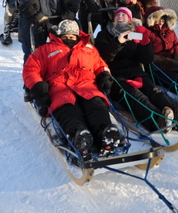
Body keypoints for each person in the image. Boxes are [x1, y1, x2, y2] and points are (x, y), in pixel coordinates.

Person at [22, 19, 120, 159]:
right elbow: (30, 69)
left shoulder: (89, 48)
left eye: (72, 37)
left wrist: (104, 75)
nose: (69, 39)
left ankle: (105, 133)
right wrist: (38, 86)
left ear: (77, 36)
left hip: (87, 86)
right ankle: (79, 136)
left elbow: (100, 64)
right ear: (59, 36)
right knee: (69, 111)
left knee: (96, 106)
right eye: (65, 36)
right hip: (60, 88)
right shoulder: (46, 49)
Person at [95, 7, 178, 133]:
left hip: (136, 72)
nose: (120, 16)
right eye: (118, 15)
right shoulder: (105, 34)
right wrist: (118, 42)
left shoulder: (134, 34)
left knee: (153, 90)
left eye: (124, 15)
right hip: (117, 77)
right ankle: (157, 120)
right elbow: (102, 57)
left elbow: (146, 59)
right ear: (113, 19)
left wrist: (145, 43)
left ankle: (175, 113)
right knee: (137, 96)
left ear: (129, 19)